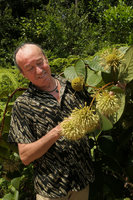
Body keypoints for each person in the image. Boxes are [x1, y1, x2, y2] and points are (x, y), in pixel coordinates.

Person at [8, 42, 95, 200]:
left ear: (46, 59)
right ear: (23, 74)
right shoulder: (23, 105)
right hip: (51, 190)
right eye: (30, 68)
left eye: (40, 63)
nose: (39, 71)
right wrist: (57, 131)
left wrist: (115, 92)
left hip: (82, 182)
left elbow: (99, 119)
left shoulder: (74, 87)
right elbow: (25, 157)